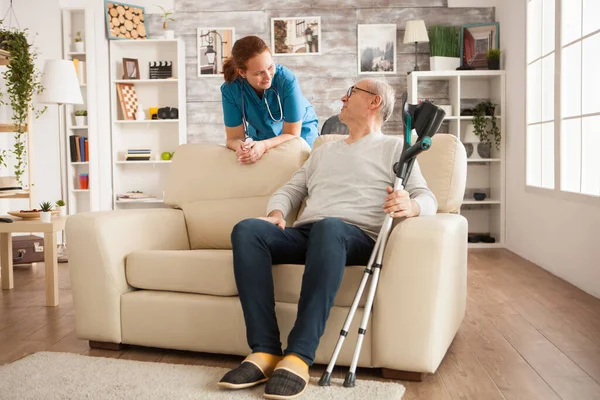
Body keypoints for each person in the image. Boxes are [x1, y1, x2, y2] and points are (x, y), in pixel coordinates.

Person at [218, 79, 438, 399]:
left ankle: (298, 357)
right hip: (310, 232)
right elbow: (292, 189)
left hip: (355, 235)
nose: (342, 98)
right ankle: (264, 351)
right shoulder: (324, 150)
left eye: (351, 93)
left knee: (330, 227)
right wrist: (278, 213)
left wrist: (412, 205)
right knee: (248, 230)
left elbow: (427, 197)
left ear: (374, 102)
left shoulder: (397, 148)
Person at [221, 35, 319, 165]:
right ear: (242, 73)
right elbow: (233, 138)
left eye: (270, 67)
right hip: (262, 135)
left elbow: (292, 133)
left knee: (302, 167)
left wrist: (264, 146)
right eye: (259, 73)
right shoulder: (230, 90)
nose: (268, 76)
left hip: (301, 131)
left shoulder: (286, 79)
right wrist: (239, 147)